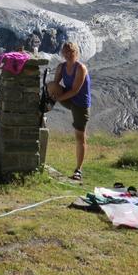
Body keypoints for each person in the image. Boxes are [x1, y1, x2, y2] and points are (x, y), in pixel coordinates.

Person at [47, 42, 91, 181]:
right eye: (65, 52)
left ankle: (78, 170)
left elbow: (75, 90)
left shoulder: (81, 68)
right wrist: (53, 95)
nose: (68, 54)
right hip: (67, 98)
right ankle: (46, 106)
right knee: (50, 86)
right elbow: (55, 85)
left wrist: (58, 98)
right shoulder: (61, 67)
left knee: (80, 136)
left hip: (80, 104)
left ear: (76, 53)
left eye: (71, 52)